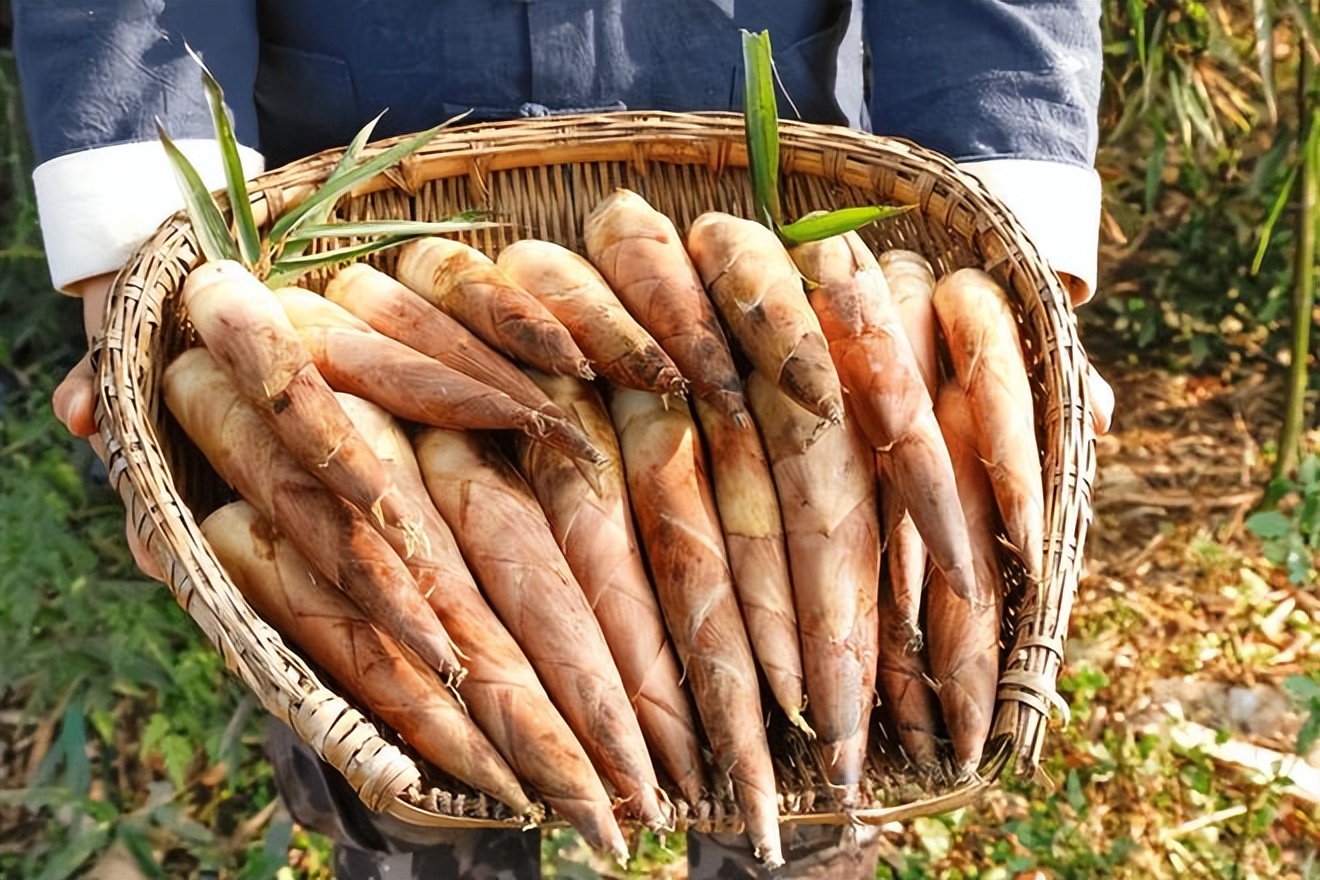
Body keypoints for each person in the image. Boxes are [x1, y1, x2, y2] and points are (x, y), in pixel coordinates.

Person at [13, 2, 1114, 877]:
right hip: (340, 236)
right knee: (399, 721)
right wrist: (142, 263)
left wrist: (1020, 271)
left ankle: (796, 817)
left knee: (824, 749)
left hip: (765, 245)